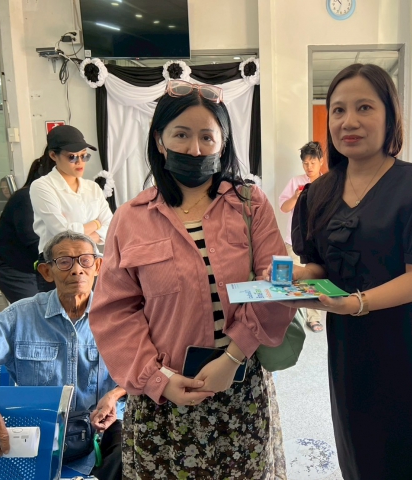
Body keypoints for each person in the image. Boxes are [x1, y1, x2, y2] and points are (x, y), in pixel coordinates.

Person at [89, 80, 294, 480]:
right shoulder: (131, 218)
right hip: (163, 399)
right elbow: (115, 313)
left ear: (223, 142)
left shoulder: (250, 204)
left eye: (207, 137)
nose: (195, 149)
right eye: (181, 134)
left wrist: (231, 358)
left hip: (239, 390)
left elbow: (277, 285)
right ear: (160, 140)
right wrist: (158, 379)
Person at [274, 64, 412, 479]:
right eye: (338, 110)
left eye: (364, 107)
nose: (349, 121)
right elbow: (322, 265)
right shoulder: (317, 194)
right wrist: (294, 279)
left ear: (390, 115)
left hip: (408, 344)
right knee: (361, 455)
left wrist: (355, 303)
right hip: (351, 348)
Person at [0, 231, 125, 480]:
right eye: (64, 262)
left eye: (85, 260)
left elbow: (146, 368)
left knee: (130, 452)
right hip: (40, 431)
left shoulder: (119, 317)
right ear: (46, 271)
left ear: (98, 267)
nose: (77, 270)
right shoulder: (20, 316)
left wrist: (114, 395)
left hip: (104, 431)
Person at [29, 125, 113, 292]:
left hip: (88, 262)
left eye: (84, 156)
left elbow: (111, 226)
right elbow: (61, 232)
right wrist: (96, 224)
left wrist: (81, 233)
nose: (80, 162)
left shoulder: (92, 188)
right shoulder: (42, 186)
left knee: (91, 307)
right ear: (53, 155)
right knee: (56, 308)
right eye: (72, 157)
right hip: (57, 263)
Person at [0, 151, 53, 303]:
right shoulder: (25, 199)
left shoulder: (56, 199)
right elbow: (33, 241)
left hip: (38, 263)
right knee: (33, 309)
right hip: (13, 266)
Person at [278, 141, 325, 332]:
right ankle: (293, 319)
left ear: (321, 161)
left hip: (318, 241)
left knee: (314, 280)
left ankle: (314, 318)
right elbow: (283, 208)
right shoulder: (295, 182)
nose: (309, 167)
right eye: (305, 163)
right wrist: (296, 197)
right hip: (294, 239)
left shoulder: (327, 182)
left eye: (313, 162)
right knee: (293, 279)